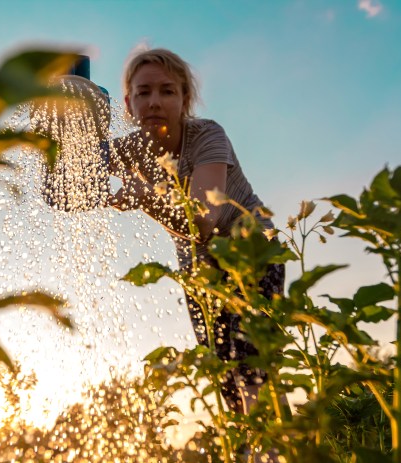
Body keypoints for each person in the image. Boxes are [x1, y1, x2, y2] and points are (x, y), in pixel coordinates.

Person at [108, 48, 285, 419]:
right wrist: (66, 120)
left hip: (252, 252)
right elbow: (69, 184)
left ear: (185, 98)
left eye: (167, 91)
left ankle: (272, 451)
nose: (154, 102)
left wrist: (143, 199)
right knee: (225, 374)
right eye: (144, 92)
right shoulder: (129, 151)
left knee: (252, 367)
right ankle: (266, 448)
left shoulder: (207, 136)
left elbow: (204, 220)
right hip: (201, 272)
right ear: (128, 102)